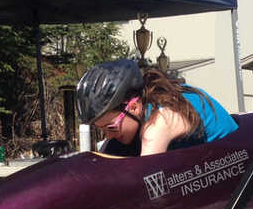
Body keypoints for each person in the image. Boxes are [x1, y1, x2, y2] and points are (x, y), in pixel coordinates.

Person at [76, 59, 237, 156]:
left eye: (111, 127)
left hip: (236, 166)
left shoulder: (159, 123)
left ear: (133, 107)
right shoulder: (144, 109)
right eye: (101, 130)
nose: (108, 136)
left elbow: (144, 183)